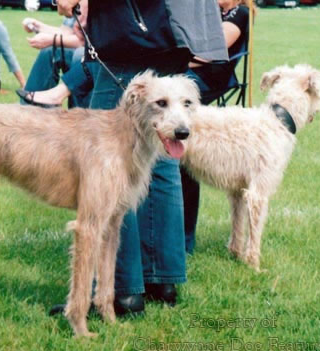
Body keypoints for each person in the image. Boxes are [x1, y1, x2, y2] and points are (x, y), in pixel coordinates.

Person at [52, 0, 227, 316]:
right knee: (160, 151)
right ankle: (161, 280)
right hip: (168, 30)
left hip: (131, 31)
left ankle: (121, 292)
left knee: (110, 168)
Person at [181, 0, 253, 255]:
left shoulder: (240, 13)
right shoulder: (211, 11)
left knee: (177, 90)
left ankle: (185, 236)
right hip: (189, 70)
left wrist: (177, 59)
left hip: (209, 77)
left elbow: (213, 50)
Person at [16, 0, 89, 108]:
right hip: (86, 56)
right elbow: (66, 32)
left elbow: (87, 42)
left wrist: (53, 40)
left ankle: (76, 116)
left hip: (100, 61)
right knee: (50, 51)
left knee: (79, 55)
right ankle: (27, 108)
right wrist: (39, 27)